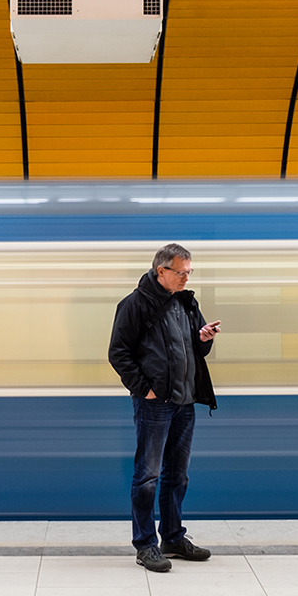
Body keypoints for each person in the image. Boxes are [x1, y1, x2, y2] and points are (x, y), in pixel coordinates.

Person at [108, 242, 221, 573]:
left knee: (178, 475)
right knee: (148, 475)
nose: (187, 278)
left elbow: (197, 351)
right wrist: (145, 389)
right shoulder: (134, 305)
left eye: (189, 272)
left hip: (185, 402)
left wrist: (203, 338)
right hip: (155, 406)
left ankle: (172, 537)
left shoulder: (186, 303)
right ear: (161, 271)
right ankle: (145, 544)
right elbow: (118, 353)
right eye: (181, 272)